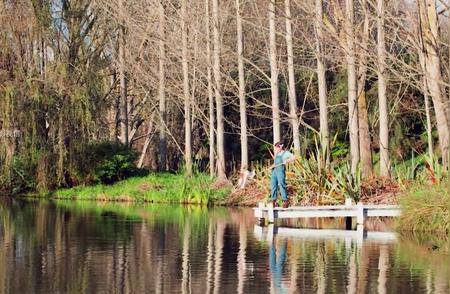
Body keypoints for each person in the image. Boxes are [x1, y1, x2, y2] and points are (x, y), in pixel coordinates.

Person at [270, 141, 296, 208]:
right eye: (275, 148)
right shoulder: (277, 154)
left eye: (277, 147)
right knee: (273, 185)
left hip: (280, 170)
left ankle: (285, 201)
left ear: (281, 146)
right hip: (275, 170)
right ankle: (273, 201)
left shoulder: (285, 153)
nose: (276, 149)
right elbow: (275, 163)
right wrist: (271, 166)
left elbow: (294, 157)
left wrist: (287, 160)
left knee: (281, 184)